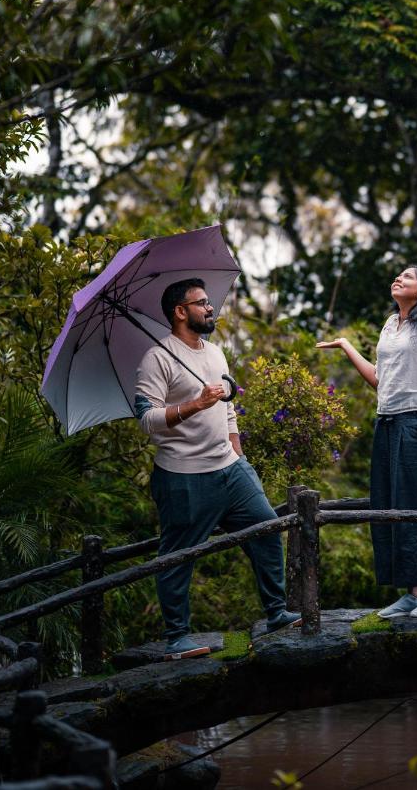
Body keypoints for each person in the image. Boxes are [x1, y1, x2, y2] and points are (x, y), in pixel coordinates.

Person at [134, 278, 301, 659]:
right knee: (178, 556)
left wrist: (239, 456)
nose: (211, 308)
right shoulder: (157, 358)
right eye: (202, 302)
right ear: (180, 312)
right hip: (183, 476)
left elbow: (228, 409)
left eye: (209, 302)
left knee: (266, 529)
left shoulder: (215, 353)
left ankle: (276, 612)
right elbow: (146, 420)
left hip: (230, 468)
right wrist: (195, 404)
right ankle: (177, 638)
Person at [317, 265, 417, 618]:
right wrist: (345, 346)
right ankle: (414, 593)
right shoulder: (391, 324)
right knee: (390, 503)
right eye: (398, 275)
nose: (399, 278)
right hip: (387, 418)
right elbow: (380, 380)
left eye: (408, 276)